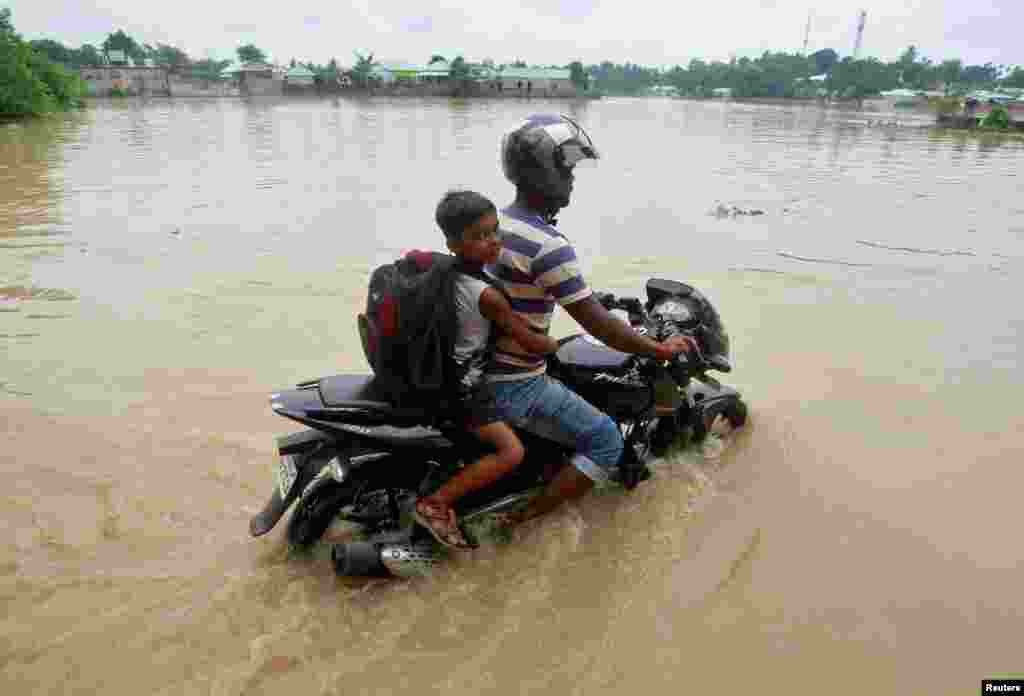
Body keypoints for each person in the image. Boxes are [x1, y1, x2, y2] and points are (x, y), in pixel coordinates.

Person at [486, 114, 694, 525]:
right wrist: (658, 348)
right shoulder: (548, 244)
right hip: (513, 382)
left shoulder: (495, 225)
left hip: (482, 366)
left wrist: (584, 297)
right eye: (566, 168)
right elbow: (597, 324)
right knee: (605, 440)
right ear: (544, 172)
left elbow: (523, 286)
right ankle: (522, 524)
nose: (572, 179)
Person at [413, 190, 560, 549]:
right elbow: (531, 341)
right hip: (461, 393)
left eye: (495, 231)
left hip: (434, 377)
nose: (493, 241)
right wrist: (557, 342)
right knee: (512, 452)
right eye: (479, 236)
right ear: (453, 243)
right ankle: (435, 504)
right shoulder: (487, 295)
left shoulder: (444, 272)